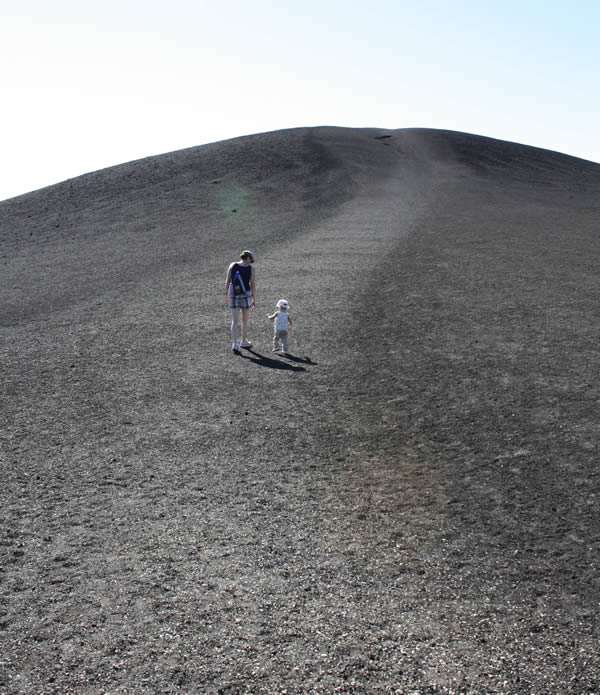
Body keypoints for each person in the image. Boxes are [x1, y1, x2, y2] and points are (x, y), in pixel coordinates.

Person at [226, 250, 256, 352]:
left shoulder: (232, 265)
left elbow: (228, 281)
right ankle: (243, 341)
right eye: (250, 259)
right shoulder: (251, 269)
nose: (251, 262)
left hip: (234, 295)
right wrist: (254, 298)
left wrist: (227, 294)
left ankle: (234, 343)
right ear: (248, 258)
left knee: (234, 321)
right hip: (246, 295)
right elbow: (252, 285)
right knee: (245, 320)